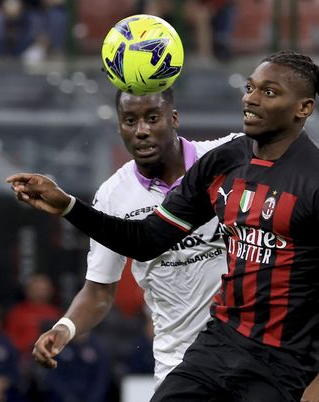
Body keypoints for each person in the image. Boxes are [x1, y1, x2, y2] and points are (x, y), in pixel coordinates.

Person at [8, 50, 319, 401]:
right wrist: (69, 207)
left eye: (269, 92)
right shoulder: (224, 162)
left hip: (289, 362)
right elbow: (146, 241)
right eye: (250, 88)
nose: (251, 99)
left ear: (303, 108)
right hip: (218, 346)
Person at [31, 88, 241, 387]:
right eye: (129, 121)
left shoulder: (225, 160)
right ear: (119, 127)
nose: (141, 131)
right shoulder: (113, 196)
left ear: (174, 118)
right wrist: (65, 328)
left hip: (250, 356)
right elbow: (99, 292)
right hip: (180, 365)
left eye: (152, 118)